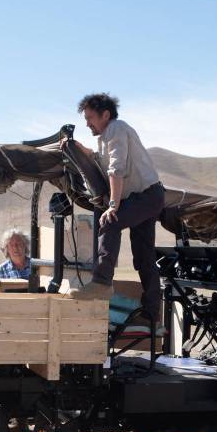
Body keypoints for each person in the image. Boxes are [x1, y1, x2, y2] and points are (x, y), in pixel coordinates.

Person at [65, 93, 165, 323]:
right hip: (145, 197)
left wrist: (113, 206)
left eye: (90, 118)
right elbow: (100, 158)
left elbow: (116, 169)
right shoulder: (105, 137)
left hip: (146, 196)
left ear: (105, 115)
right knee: (143, 256)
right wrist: (78, 148)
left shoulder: (117, 129)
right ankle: (151, 313)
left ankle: (101, 283)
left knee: (110, 222)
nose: (87, 123)